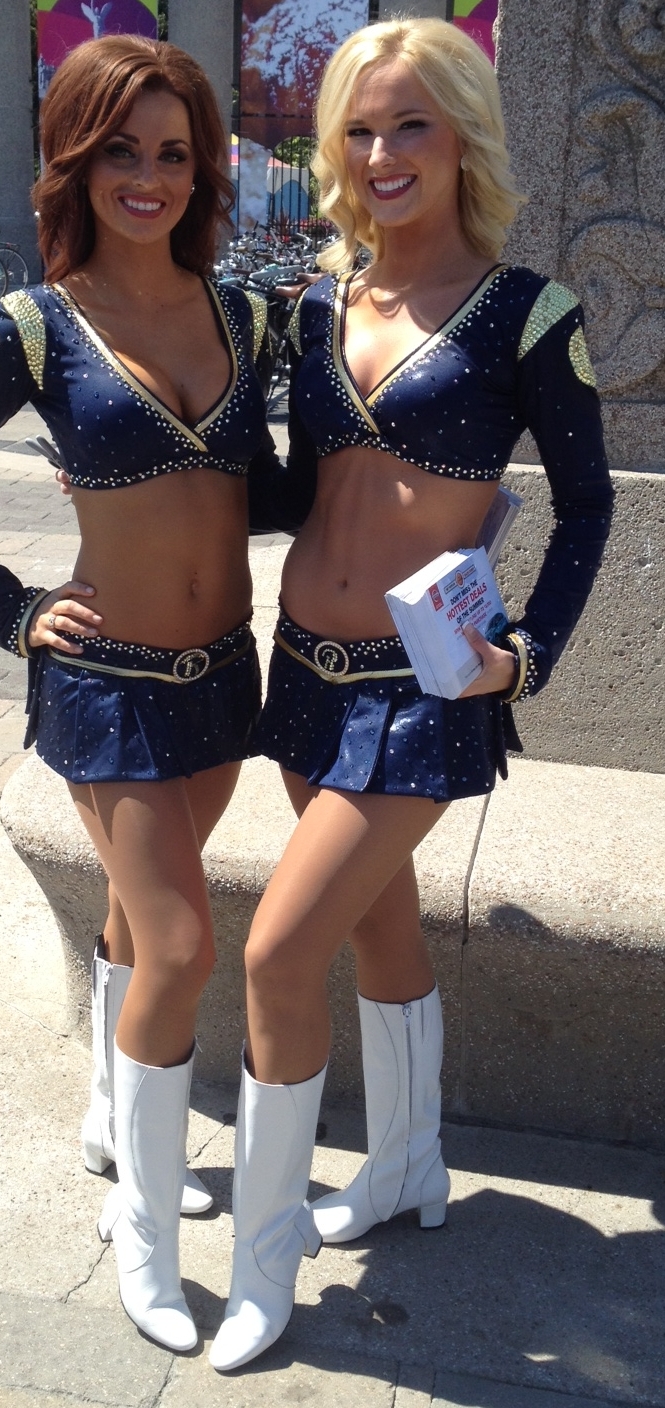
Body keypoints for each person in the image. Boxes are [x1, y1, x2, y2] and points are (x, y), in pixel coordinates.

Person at [209, 17, 614, 1372]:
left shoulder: (528, 311)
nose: (381, 154)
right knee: (378, 930)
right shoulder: (317, 301)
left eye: (411, 125)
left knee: (275, 951)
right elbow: (287, 488)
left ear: (461, 138)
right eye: (360, 128)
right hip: (303, 672)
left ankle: (262, 1265)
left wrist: (527, 656)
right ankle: (409, 1166)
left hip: (422, 691)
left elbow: (586, 516)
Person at [0, 36, 273, 1355]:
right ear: (74, 155)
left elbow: (266, 490)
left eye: (173, 152)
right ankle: (149, 1241)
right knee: (179, 944)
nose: (149, 177)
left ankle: (116, 1113)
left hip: (228, 681)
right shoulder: (33, 327)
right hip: (102, 686)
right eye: (120, 148)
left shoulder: (247, 318)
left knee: (129, 916)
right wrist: (11, 611)